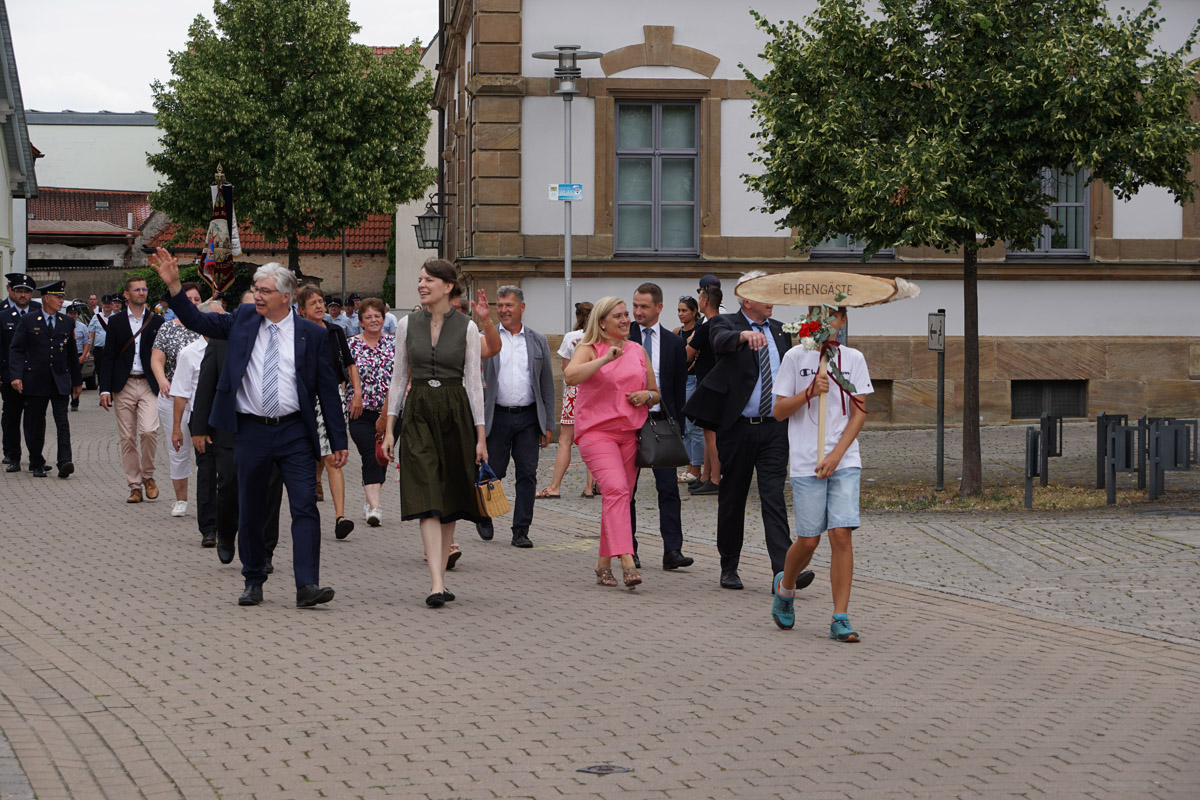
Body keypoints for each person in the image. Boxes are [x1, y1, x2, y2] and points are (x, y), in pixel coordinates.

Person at [150, 249, 346, 609]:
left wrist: (337, 440)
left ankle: (307, 585)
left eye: (264, 290)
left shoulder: (311, 335)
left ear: (286, 297)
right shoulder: (242, 319)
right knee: (251, 507)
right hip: (251, 430)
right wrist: (175, 286)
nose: (257, 295)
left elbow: (327, 391)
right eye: (256, 289)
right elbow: (198, 320)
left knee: (305, 506)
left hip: (294, 433)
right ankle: (253, 579)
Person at [683, 271, 808, 592]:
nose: (772, 301)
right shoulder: (725, 323)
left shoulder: (780, 331)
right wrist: (742, 337)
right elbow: (719, 342)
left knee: (773, 498)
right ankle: (729, 566)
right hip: (737, 428)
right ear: (747, 298)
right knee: (733, 498)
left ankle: (784, 571)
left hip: (774, 428)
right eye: (765, 294)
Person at [381, 258, 487, 608]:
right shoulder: (406, 324)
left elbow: (475, 384)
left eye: (428, 280)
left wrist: (481, 437)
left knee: (451, 494)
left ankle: (440, 578)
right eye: (420, 279)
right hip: (419, 410)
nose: (421, 285)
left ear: (447, 286)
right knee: (426, 492)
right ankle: (436, 583)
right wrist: (390, 430)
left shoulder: (468, 327)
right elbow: (398, 378)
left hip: (456, 409)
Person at [771, 307, 872, 642]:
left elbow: (859, 413)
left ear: (842, 320)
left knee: (841, 535)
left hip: (844, 460)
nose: (826, 322)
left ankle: (840, 617)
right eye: (819, 315)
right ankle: (786, 587)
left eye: (833, 316)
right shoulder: (795, 357)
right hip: (806, 460)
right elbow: (778, 411)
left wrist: (837, 455)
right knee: (809, 540)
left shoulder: (853, 358)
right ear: (809, 320)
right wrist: (809, 392)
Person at [565, 296, 658, 589]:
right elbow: (570, 376)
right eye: (618, 316)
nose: (625, 319)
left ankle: (603, 563)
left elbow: (655, 391)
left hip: (630, 434)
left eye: (626, 314)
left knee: (619, 498)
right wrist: (605, 359)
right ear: (602, 322)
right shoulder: (589, 348)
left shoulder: (637, 350)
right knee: (616, 491)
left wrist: (647, 396)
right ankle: (627, 560)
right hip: (597, 433)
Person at [191, 290, 284, 570]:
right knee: (229, 485)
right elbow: (206, 384)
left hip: (271, 428)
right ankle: (226, 532)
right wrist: (199, 428)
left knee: (269, 492)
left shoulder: (280, 339)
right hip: (231, 428)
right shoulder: (222, 341)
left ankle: (265, 551)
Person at [474, 286, 555, 549]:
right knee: (492, 472)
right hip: (496, 416)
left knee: (527, 474)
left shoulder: (537, 340)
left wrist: (548, 423)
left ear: (522, 307)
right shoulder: (485, 338)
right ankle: (484, 514)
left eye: (509, 305)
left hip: (528, 418)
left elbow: (546, 384)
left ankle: (521, 529)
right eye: (500, 306)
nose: (504, 310)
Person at [628, 283, 694, 571]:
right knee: (626, 491)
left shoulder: (674, 343)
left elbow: (678, 389)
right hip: (628, 424)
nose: (637, 312)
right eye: (635, 306)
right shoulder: (623, 337)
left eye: (643, 306)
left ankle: (673, 550)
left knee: (668, 489)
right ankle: (628, 549)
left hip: (661, 424)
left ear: (659, 307)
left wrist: (678, 426)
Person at [296, 285, 358, 540]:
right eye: (313, 303)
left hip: (332, 397)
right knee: (312, 453)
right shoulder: (296, 334)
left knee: (332, 456)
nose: (320, 306)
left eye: (321, 301)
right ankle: (314, 486)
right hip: (303, 400)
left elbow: (349, 363)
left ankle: (340, 516)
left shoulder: (334, 331)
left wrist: (356, 393)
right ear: (301, 310)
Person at [99, 276, 165, 503]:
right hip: (124, 384)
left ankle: (148, 475)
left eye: (144, 289)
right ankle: (135, 486)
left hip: (148, 384)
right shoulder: (116, 322)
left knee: (149, 431)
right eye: (137, 290)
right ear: (126, 295)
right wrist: (104, 389)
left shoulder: (156, 321)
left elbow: (164, 355)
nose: (142, 292)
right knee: (127, 437)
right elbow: (108, 356)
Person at [6, 281, 82, 478]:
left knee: (62, 422)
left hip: (59, 379)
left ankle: (64, 461)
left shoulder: (67, 322)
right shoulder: (29, 320)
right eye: (58, 297)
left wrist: (77, 381)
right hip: (36, 379)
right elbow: (16, 349)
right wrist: (16, 376)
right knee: (35, 423)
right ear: (46, 298)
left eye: (62, 297)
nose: (61, 301)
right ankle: (36, 461)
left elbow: (71, 354)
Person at [170, 299, 224, 547]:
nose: (223, 321)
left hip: (230, 419)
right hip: (202, 420)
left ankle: (229, 523)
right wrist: (177, 429)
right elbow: (181, 393)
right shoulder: (190, 353)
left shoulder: (233, 346)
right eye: (217, 317)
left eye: (224, 315)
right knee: (207, 471)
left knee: (230, 474)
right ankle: (209, 528)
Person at [150, 283, 204, 516]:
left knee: (206, 449)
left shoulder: (209, 327)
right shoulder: (168, 328)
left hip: (202, 398)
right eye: (188, 299)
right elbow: (156, 359)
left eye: (197, 299)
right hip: (173, 397)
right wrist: (162, 380)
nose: (193, 303)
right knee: (178, 447)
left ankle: (207, 498)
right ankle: (181, 499)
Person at [537, 301, 595, 500]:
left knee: (565, 441)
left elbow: (565, 369)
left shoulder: (571, 337)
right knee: (591, 440)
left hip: (574, 392)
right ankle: (589, 487)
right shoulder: (598, 336)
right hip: (593, 392)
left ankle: (555, 486)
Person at [344, 298, 394, 527]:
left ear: (383, 319)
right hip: (360, 412)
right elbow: (342, 375)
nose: (374, 320)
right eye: (368, 317)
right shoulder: (350, 345)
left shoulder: (394, 344)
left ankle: (369, 498)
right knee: (370, 455)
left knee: (382, 458)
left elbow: (404, 375)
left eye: (377, 316)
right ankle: (375, 507)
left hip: (390, 414)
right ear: (361, 321)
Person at [0, 272, 40, 471]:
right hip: (10, 375)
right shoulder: (3, 315)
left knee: (34, 419)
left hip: (34, 375)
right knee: (11, 418)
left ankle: (36, 458)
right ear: (12, 292)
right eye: (19, 291)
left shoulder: (39, 312)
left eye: (26, 291)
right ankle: (13, 456)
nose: (23, 295)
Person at [686, 284, 722, 496]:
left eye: (700, 298)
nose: (699, 301)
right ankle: (706, 476)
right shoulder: (724, 323)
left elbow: (686, 354)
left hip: (708, 383)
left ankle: (715, 479)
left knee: (710, 434)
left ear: (705, 302)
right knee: (707, 431)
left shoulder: (706, 327)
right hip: (718, 382)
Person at [673, 294, 704, 482]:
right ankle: (690, 466)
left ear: (694, 312)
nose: (680, 314)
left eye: (684, 310)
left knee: (694, 426)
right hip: (680, 380)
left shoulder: (698, 331)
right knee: (683, 427)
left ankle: (696, 467)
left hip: (693, 379)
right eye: (678, 310)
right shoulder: (677, 332)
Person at [65, 304, 90, 410]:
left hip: (78, 355)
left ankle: (75, 402)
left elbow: (87, 342)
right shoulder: (62, 325)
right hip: (65, 355)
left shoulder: (82, 327)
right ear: (67, 314)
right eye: (71, 313)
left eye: (75, 314)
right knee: (66, 379)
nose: (73, 315)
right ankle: (64, 402)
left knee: (76, 379)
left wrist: (83, 355)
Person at [86, 294, 113, 385]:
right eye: (105, 303)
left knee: (112, 372)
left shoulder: (116, 317)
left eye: (108, 303)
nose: (107, 305)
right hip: (99, 350)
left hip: (112, 350)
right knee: (100, 372)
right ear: (102, 304)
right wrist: (88, 350)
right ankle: (102, 390)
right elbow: (91, 335)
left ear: (112, 304)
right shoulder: (96, 317)